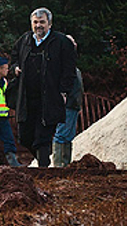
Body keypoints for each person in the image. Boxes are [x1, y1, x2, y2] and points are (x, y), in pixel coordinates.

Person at [10, 7, 76, 167]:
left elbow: (69, 70)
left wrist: (63, 91)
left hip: (49, 98)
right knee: (25, 137)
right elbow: (13, 57)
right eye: (35, 22)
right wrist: (15, 67)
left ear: (50, 24)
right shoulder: (24, 40)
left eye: (42, 22)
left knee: (43, 137)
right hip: (26, 98)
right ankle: (43, 161)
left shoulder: (61, 42)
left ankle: (44, 169)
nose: (38, 25)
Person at [53, 34, 84, 167]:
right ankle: (59, 166)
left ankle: (66, 164)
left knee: (68, 135)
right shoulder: (61, 64)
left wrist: (78, 104)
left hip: (73, 104)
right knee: (61, 135)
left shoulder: (71, 65)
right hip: (66, 104)